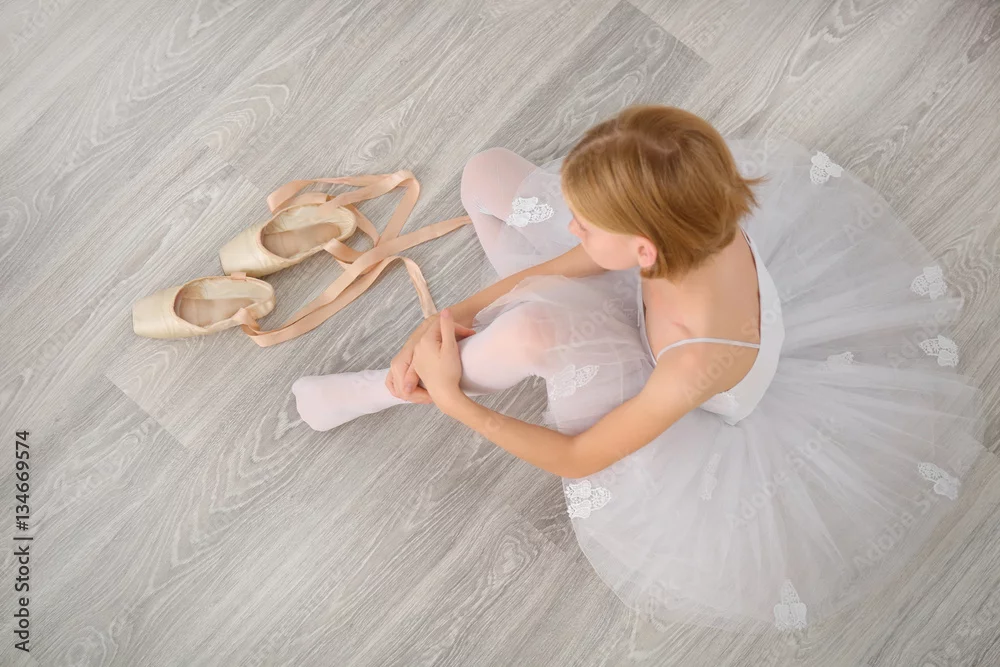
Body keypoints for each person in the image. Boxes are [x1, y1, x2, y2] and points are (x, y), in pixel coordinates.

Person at [291, 105, 987, 634]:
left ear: (644, 249)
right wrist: (459, 309)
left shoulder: (696, 363)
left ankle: (383, 390)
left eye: (587, 222)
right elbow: (583, 257)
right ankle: (487, 332)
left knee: (531, 332)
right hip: (654, 295)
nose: (573, 226)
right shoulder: (696, 219)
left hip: (666, 378)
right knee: (485, 172)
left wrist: (455, 400)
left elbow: (578, 457)